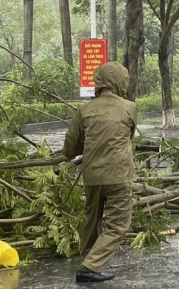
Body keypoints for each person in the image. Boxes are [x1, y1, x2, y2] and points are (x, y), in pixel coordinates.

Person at [62, 61, 139, 283]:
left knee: (92, 219)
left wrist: (69, 153)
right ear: (119, 82)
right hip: (118, 175)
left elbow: (72, 145)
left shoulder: (85, 110)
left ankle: (88, 259)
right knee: (118, 225)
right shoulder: (129, 108)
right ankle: (89, 266)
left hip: (92, 175)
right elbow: (127, 136)